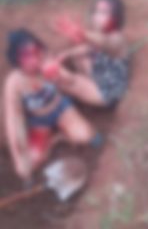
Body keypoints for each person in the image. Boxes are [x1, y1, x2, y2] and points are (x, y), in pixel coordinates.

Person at [3, 29, 96, 181]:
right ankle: (54, 141)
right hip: (39, 120)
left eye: (36, 52)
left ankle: (60, 137)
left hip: (61, 109)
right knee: (32, 162)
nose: (34, 59)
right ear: (16, 60)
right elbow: (14, 119)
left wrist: (58, 72)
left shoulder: (48, 60)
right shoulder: (14, 82)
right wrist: (19, 156)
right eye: (26, 56)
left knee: (86, 136)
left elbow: (71, 81)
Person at [49, 0, 129, 108]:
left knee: (70, 82)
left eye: (103, 13)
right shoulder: (101, 33)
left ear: (116, 17)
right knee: (77, 55)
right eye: (96, 11)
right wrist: (66, 54)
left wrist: (83, 33)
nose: (97, 16)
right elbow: (88, 47)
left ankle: (58, 98)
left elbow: (107, 43)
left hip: (109, 92)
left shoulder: (117, 38)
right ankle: (87, 86)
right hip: (101, 76)